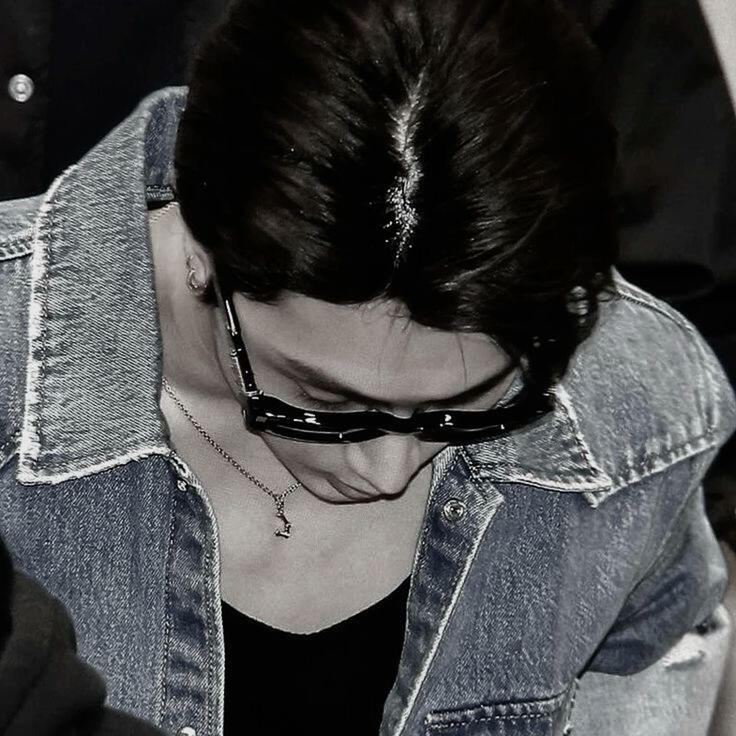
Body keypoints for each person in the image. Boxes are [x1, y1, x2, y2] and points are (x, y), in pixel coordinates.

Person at [0, 1, 734, 735]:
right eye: (321, 401)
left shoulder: (638, 408)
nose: (386, 471)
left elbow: (653, 673)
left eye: (469, 404)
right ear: (202, 246)